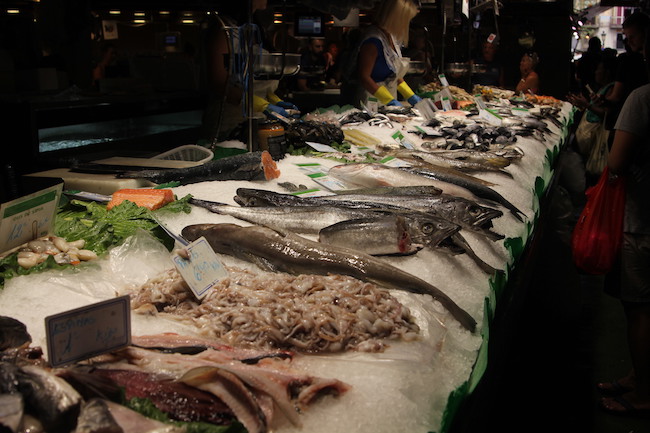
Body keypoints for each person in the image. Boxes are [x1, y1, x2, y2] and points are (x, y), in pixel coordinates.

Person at [598, 28, 650, 416]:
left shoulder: (641, 98)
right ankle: (639, 376)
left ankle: (642, 395)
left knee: (640, 310)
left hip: (642, 218)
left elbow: (615, 162)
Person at [201, 0, 299, 143]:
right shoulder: (222, 28)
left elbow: (257, 80)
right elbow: (218, 83)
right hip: (228, 124)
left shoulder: (254, 27)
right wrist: (259, 103)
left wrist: (273, 100)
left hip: (256, 122)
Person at [340, 0, 421, 108]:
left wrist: (410, 95)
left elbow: (394, 75)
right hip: (371, 101)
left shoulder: (391, 38)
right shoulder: (373, 41)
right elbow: (364, 77)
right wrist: (388, 100)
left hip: (388, 101)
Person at [601, 12, 649, 139]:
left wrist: (601, 101)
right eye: (627, 37)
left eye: (632, 36)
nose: (629, 41)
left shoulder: (627, 62)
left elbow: (616, 97)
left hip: (628, 125)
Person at [566, 50, 617, 158]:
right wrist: (581, 104)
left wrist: (587, 105)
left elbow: (605, 113)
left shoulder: (611, 88)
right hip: (587, 132)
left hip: (594, 134)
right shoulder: (603, 88)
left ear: (607, 72)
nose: (596, 72)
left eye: (599, 69)